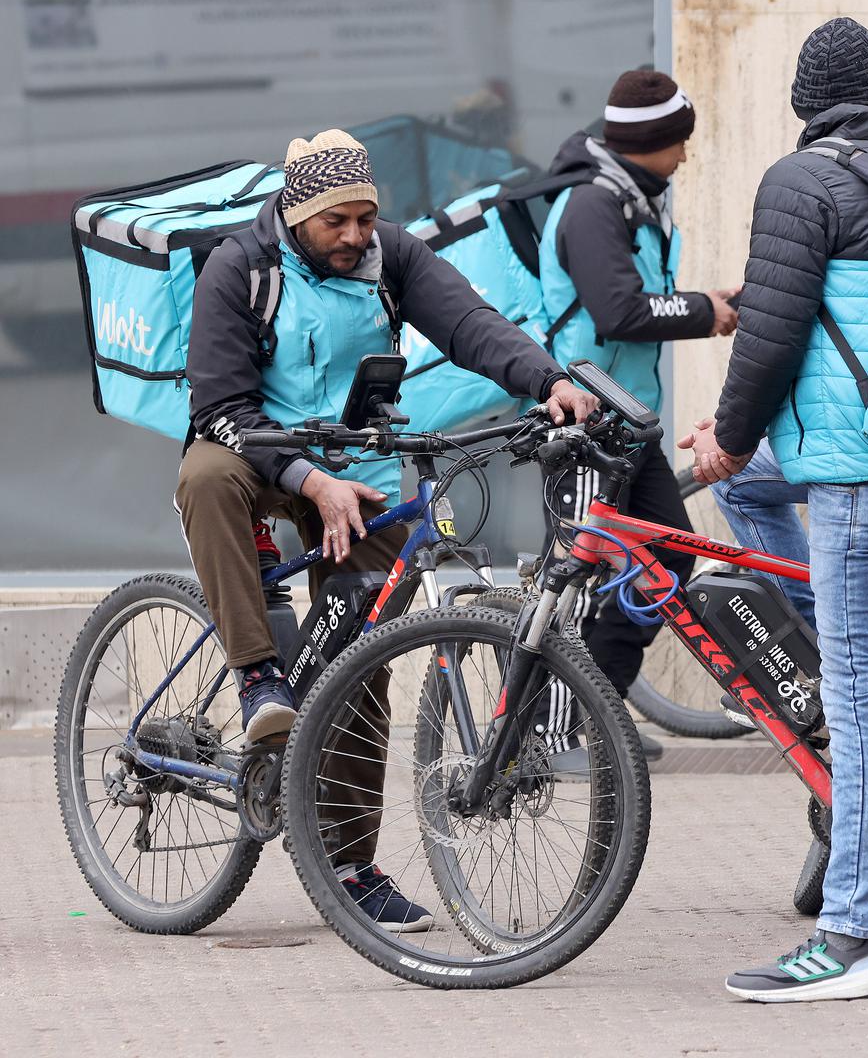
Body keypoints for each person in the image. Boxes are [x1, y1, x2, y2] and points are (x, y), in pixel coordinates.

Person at [177, 129, 596, 931]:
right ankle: (259, 675)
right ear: (299, 215)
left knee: (364, 664)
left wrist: (548, 380)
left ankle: (348, 867)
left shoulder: (391, 259)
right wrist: (308, 480)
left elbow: (471, 325)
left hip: (358, 472)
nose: (356, 236)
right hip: (261, 457)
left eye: (366, 218)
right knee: (204, 476)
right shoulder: (240, 269)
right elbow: (219, 410)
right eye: (338, 221)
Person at [682, 16, 868, 1003]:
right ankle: (802, 650)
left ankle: (847, 939)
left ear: (801, 97)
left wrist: (730, 434)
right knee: (747, 494)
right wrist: (745, 458)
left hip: (856, 473)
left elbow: (772, 335)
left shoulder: (801, 182)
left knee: (862, 692)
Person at [533, 69, 740, 761]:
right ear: (651, 142)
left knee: (666, 564)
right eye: (679, 141)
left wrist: (705, 300)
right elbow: (617, 309)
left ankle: (594, 713)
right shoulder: (593, 204)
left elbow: (635, 300)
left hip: (626, 425)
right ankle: (548, 732)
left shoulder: (632, 200)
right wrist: (703, 311)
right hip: (586, 427)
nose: (685, 155)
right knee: (580, 575)